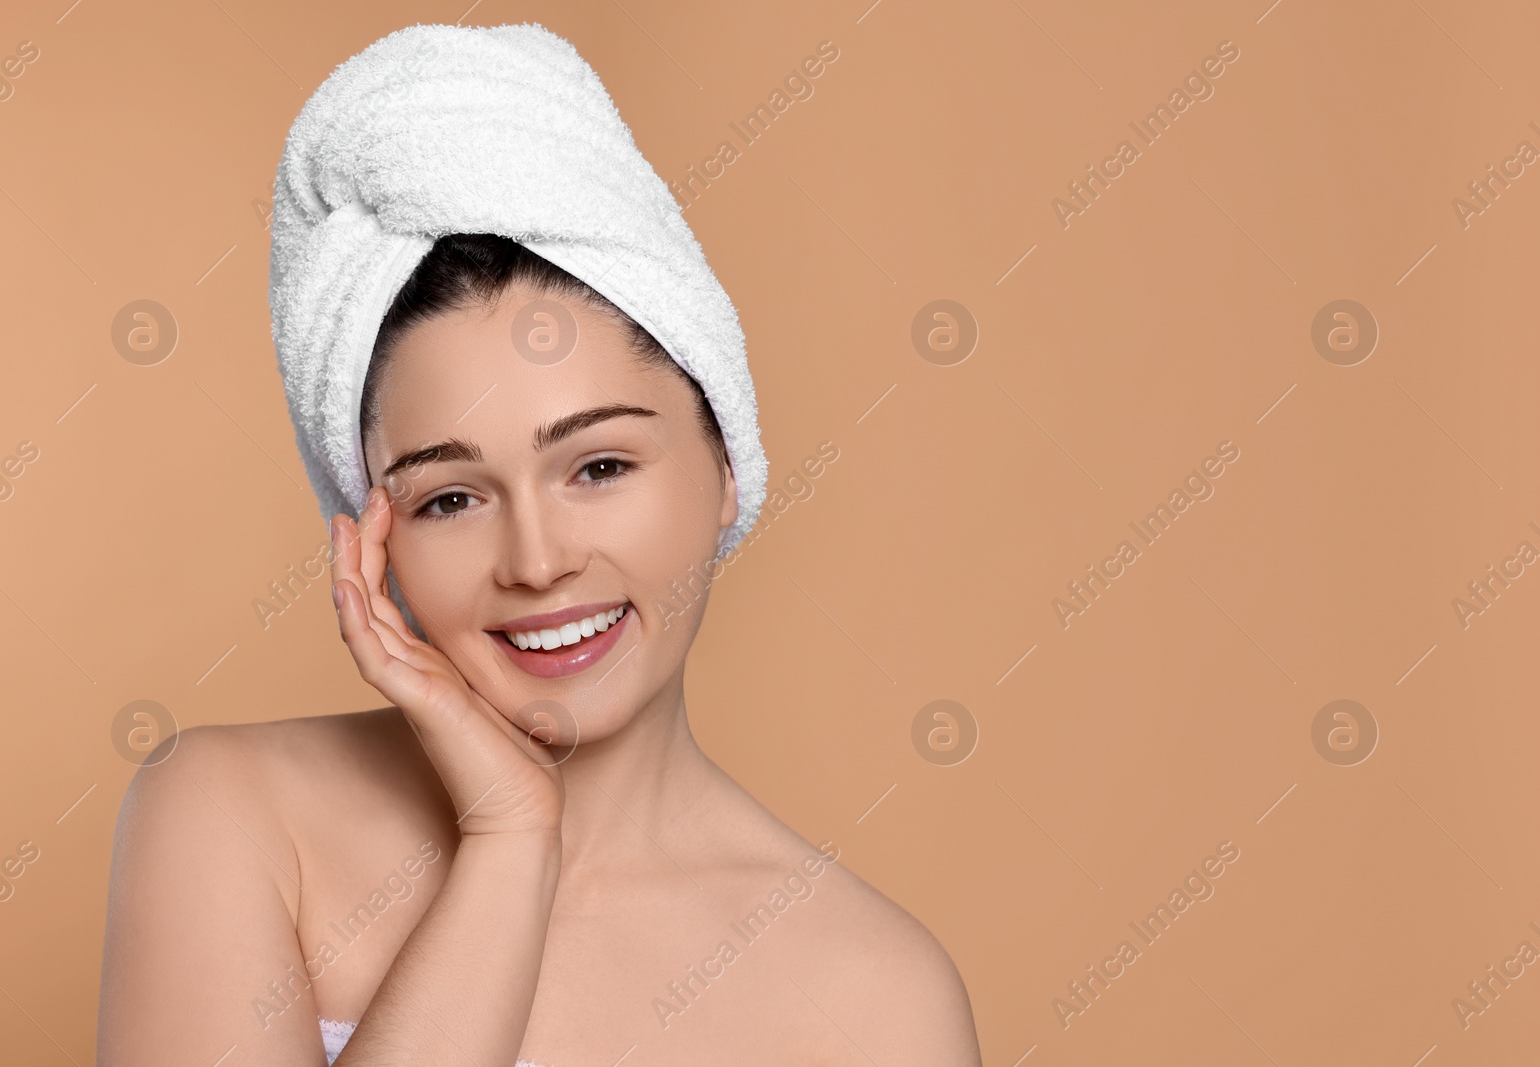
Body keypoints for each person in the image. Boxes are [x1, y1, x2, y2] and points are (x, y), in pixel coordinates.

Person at [97, 23, 981, 1067]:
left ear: (727, 460)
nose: (536, 559)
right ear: (372, 538)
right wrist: (511, 838)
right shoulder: (231, 815)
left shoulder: (874, 999)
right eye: (450, 498)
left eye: (599, 467)